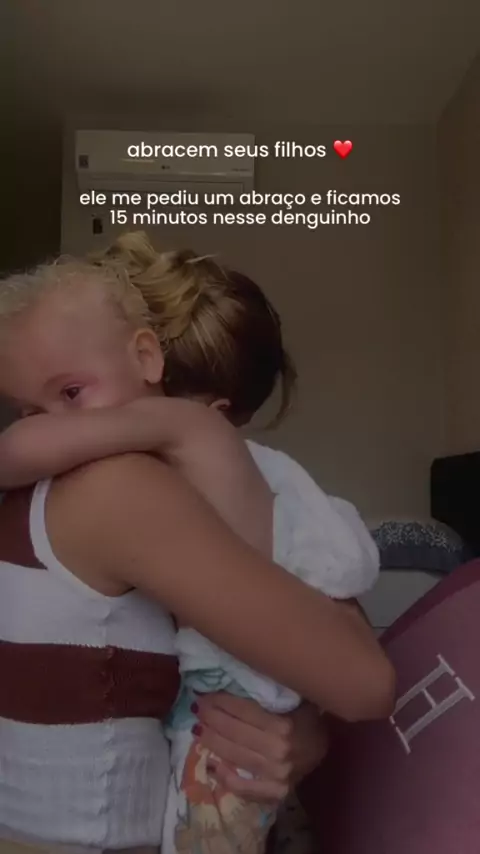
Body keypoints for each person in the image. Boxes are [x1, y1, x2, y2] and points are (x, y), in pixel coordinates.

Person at [0, 241, 394, 853]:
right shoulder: (117, 487)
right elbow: (364, 679)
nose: (53, 424)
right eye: (31, 409)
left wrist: (305, 724)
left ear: (148, 358)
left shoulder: (56, 497)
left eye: (72, 394)